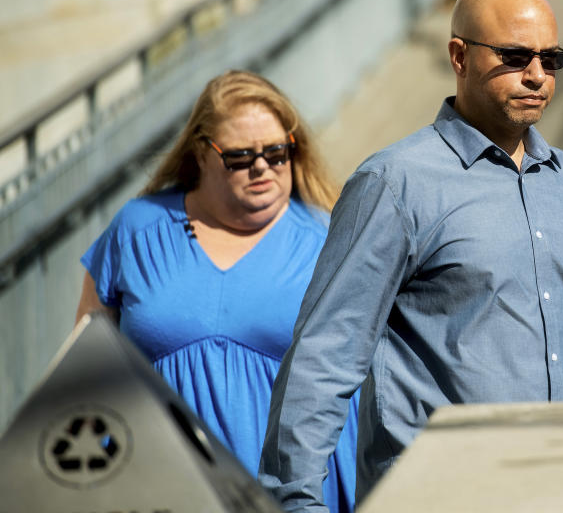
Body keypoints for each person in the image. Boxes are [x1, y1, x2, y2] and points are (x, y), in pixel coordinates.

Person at [259, 0, 563, 512]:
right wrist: (295, 500)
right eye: (514, 55)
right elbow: (326, 354)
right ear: (459, 56)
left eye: (551, 60)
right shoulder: (395, 184)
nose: (537, 76)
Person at [75, 70, 360, 513]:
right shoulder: (136, 230)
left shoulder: (329, 241)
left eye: (277, 152)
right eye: (241, 157)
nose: (262, 167)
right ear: (201, 154)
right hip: (161, 491)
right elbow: (84, 367)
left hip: (291, 496)